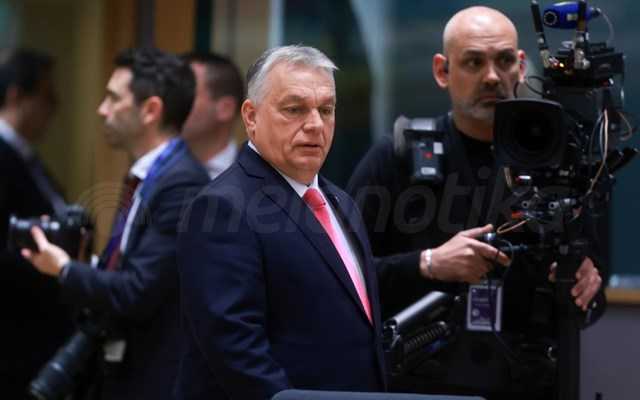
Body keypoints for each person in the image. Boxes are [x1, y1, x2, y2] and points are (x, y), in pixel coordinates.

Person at [347, 6, 604, 399]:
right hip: (422, 382)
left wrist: (586, 286)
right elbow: (342, 278)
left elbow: (594, 289)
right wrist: (428, 264)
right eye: (473, 62)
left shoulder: (561, 165)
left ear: (521, 66)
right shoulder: (398, 157)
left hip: (532, 383)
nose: (491, 77)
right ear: (442, 70)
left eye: (504, 61)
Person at [176, 45, 386, 400]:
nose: (315, 124)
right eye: (294, 109)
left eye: (326, 109)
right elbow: (236, 350)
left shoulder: (342, 202)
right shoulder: (222, 207)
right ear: (251, 116)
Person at [21, 48, 210, 400]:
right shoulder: (151, 175)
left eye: (113, 98)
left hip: (153, 378)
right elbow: (129, 269)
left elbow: (137, 291)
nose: (102, 109)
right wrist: (80, 259)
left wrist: (64, 269)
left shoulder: (181, 183)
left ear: (150, 110)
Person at [0, 48, 72, 399]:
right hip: (14, 331)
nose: (54, 109)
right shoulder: (4, 154)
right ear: (17, 96)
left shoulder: (24, 154)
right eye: (47, 97)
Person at [181, 52, 244, 179]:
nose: (171, 103)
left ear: (226, 109)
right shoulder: (152, 171)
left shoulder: (258, 177)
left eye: (184, 93)